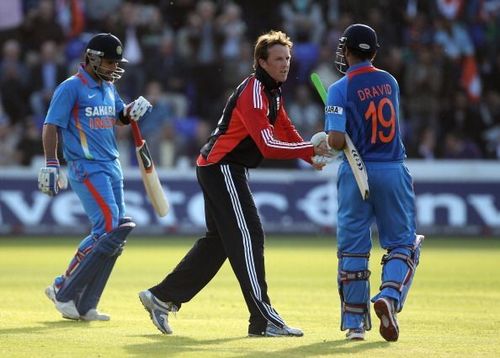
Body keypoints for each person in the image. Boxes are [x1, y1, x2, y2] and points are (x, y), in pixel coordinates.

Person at [138, 30, 331, 337]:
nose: (285, 64)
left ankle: (162, 297)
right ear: (261, 62)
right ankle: (263, 319)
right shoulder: (254, 92)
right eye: (279, 59)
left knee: (219, 243)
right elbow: (267, 145)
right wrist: (311, 148)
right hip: (222, 167)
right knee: (249, 235)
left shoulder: (273, 90)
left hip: (221, 167)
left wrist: (311, 156)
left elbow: (284, 127)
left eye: (288, 58)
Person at [38, 33, 152, 321]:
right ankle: (62, 287)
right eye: (110, 61)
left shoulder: (108, 87)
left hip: (112, 165)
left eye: (117, 62)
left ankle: (86, 302)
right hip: (86, 166)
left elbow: (118, 117)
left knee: (116, 234)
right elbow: (51, 125)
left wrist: (131, 112)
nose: (114, 67)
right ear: (92, 58)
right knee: (109, 227)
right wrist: (52, 163)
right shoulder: (71, 88)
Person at [323, 24, 424, 341]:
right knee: (403, 244)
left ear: (345, 51)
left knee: (353, 251)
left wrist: (326, 137)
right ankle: (389, 297)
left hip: (355, 174)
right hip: (392, 169)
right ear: (375, 51)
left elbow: (337, 140)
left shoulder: (339, 88)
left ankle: (355, 326)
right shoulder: (390, 82)